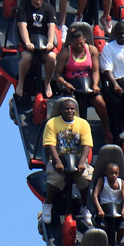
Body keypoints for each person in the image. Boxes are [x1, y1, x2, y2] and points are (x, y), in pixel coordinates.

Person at [40, 96, 94, 225]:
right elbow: (49, 144)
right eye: (67, 109)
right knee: (55, 178)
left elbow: (87, 144)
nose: (70, 111)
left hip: (77, 159)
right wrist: (57, 161)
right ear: (61, 110)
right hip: (59, 159)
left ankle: (85, 206)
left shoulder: (83, 124)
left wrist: (82, 161)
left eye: (72, 109)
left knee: (85, 178)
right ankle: (48, 203)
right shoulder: (52, 123)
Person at [53, 25, 112, 139]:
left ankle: (106, 127)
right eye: (76, 44)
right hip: (73, 87)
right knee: (72, 106)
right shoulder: (66, 52)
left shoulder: (91, 50)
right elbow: (57, 74)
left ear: (85, 40)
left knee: (99, 101)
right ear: (71, 43)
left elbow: (95, 70)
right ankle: (75, 132)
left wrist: (95, 84)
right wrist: (65, 84)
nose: (79, 46)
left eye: (81, 43)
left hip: (89, 86)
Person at [15, 0, 56, 97]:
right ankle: (21, 83)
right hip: (30, 41)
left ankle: (47, 83)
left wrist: (50, 42)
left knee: (52, 57)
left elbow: (51, 27)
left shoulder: (49, 8)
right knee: (27, 57)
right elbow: (22, 27)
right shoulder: (23, 9)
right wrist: (27, 43)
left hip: (44, 42)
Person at [92, 160, 124, 245]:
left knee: (122, 226)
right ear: (106, 173)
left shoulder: (121, 182)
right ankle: (106, 244)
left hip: (117, 211)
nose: (114, 175)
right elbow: (94, 196)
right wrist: (99, 209)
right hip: (105, 212)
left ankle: (117, 243)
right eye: (111, 173)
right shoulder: (102, 180)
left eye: (116, 173)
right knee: (103, 226)